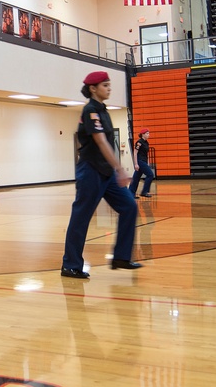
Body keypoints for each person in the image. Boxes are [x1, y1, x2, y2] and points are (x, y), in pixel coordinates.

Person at [60, 71, 142, 279]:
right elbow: (101, 142)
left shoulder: (103, 111)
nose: (109, 88)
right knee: (81, 218)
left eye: (109, 85)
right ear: (93, 89)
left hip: (105, 171)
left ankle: (121, 257)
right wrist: (120, 168)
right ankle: (70, 265)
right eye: (105, 85)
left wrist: (114, 168)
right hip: (90, 172)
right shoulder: (90, 111)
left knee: (129, 206)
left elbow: (108, 143)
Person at [128, 128, 155, 198]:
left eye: (148, 133)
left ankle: (130, 194)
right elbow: (135, 153)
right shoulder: (139, 142)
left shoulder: (146, 142)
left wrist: (148, 162)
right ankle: (144, 192)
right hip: (140, 161)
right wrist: (136, 164)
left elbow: (146, 154)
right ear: (143, 134)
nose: (148, 135)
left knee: (136, 178)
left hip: (144, 161)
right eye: (147, 133)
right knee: (150, 175)